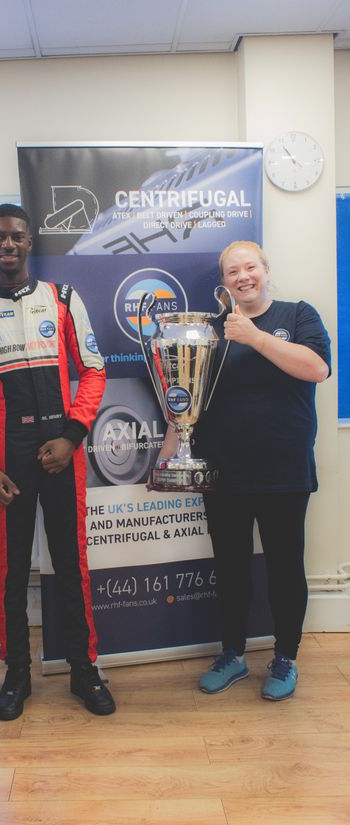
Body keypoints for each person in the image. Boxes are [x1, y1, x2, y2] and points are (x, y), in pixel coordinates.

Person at [0, 203, 115, 720]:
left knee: (71, 563)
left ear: (29, 242)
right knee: (11, 570)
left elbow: (93, 370)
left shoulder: (63, 299)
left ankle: (83, 670)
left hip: (63, 451)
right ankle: (16, 672)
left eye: (17, 237)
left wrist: (72, 436)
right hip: (9, 458)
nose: (8, 245)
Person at [159, 240, 330, 700]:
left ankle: (285, 658)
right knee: (230, 568)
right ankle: (232, 654)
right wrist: (168, 454)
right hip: (225, 471)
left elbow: (316, 369)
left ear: (265, 269)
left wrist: (254, 335)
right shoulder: (211, 330)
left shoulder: (298, 316)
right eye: (232, 271)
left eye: (249, 267)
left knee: (285, 568)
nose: (242, 277)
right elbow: (186, 395)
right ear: (225, 282)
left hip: (284, 469)